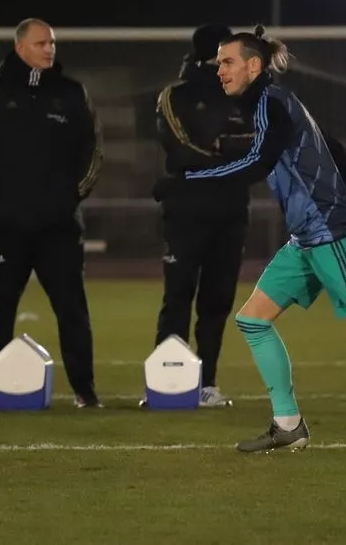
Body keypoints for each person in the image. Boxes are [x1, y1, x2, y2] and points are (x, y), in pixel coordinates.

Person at [153, 26, 346, 459]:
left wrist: (188, 179)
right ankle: (288, 425)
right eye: (218, 63)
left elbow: (258, 162)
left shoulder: (271, 102)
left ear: (254, 65)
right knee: (252, 320)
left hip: (331, 234)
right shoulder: (271, 103)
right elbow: (334, 146)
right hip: (308, 237)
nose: (220, 70)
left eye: (228, 62)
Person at [0, 17, 105, 408]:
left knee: (73, 311)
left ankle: (85, 392)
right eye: (41, 43)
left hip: (60, 226)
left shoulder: (72, 93)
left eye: (52, 43)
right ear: (20, 47)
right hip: (7, 225)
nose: (49, 49)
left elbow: (93, 150)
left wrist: (71, 197)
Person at [148, 23, 253, 408]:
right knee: (177, 296)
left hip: (230, 213)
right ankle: (168, 383)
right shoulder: (176, 95)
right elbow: (181, 150)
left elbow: (261, 148)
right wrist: (229, 153)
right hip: (186, 213)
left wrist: (224, 147)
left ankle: (207, 382)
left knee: (217, 301)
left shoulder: (245, 94)